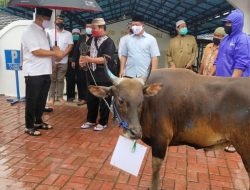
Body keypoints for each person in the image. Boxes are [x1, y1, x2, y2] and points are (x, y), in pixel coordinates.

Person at [21, 8, 64, 136]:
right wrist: (54, 52)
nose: (50, 23)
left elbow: (46, 50)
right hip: (33, 72)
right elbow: (36, 51)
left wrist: (54, 50)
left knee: (41, 100)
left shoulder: (43, 31)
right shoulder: (29, 31)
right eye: (48, 20)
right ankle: (29, 126)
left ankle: (38, 121)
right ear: (40, 17)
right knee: (32, 100)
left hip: (45, 71)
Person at [214, 9, 250, 152]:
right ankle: (224, 137)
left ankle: (234, 141)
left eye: (229, 23)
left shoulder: (243, 39)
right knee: (224, 112)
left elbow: (242, 62)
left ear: (236, 24)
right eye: (225, 23)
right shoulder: (225, 39)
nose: (226, 25)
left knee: (235, 114)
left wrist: (231, 84)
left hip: (234, 86)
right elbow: (218, 61)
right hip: (222, 83)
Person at [79, 18, 116, 131]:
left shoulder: (109, 42)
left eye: (94, 28)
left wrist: (88, 59)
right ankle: (91, 120)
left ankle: (103, 122)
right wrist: (82, 62)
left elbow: (105, 59)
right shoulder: (90, 40)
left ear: (101, 28)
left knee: (104, 100)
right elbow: (85, 54)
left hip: (104, 76)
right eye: (91, 28)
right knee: (91, 100)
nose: (92, 30)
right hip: (92, 75)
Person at [47, 15, 73, 107]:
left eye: (61, 21)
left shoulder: (68, 34)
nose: (59, 23)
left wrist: (61, 55)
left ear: (63, 23)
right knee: (52, 79)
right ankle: (51, 97)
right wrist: (55, 54)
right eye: (58, 21)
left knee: (60, 79)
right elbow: (47, 46)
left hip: (63, 60)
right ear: (55, 22)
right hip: (52, 60)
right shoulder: (49, 33)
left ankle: (60, 96)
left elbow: (70, 46)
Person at [72, 20, 93, 106]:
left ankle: (90, 98)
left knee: (90, 81)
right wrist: (74, 60)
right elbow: (76, 49)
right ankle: (82, 98)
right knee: (81, 80)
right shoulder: (82, 37)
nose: (89, 28)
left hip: (91, 63)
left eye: (90, 27)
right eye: (87, 27)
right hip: (81, 63)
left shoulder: (95, 37)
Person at [65, 28, 80, 102]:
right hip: (69, 64)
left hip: (79, 64)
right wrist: (70, 59)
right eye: (74, 34)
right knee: (70, 80)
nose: (75, 35)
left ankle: (81, 97)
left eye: (77, 34)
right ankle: (70, 97)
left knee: (80, 81)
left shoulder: (81, 43)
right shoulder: (69, 43)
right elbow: (65, 52)